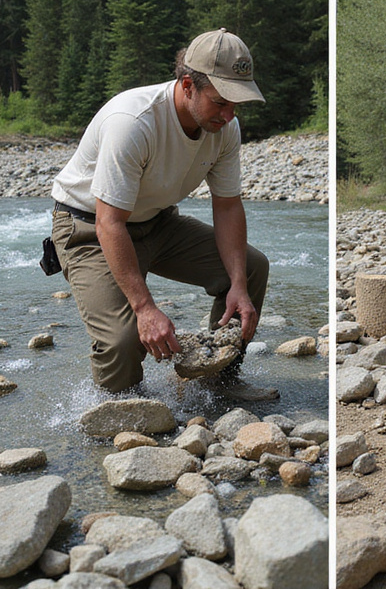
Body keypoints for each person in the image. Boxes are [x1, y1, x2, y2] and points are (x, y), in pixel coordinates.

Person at [49, 28, 277, 401]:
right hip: (89, 227)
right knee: (125, 339)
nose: (230, 114)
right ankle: (118, 409)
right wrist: (145, 309)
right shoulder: (133, 122)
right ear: (188, 84)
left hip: (157, 221)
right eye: (221, 102)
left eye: (237, 103)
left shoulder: (225, 127)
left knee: (251, 269)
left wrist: (238, 284)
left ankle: (216, 380)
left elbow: (228, 206)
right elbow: (110, 222)